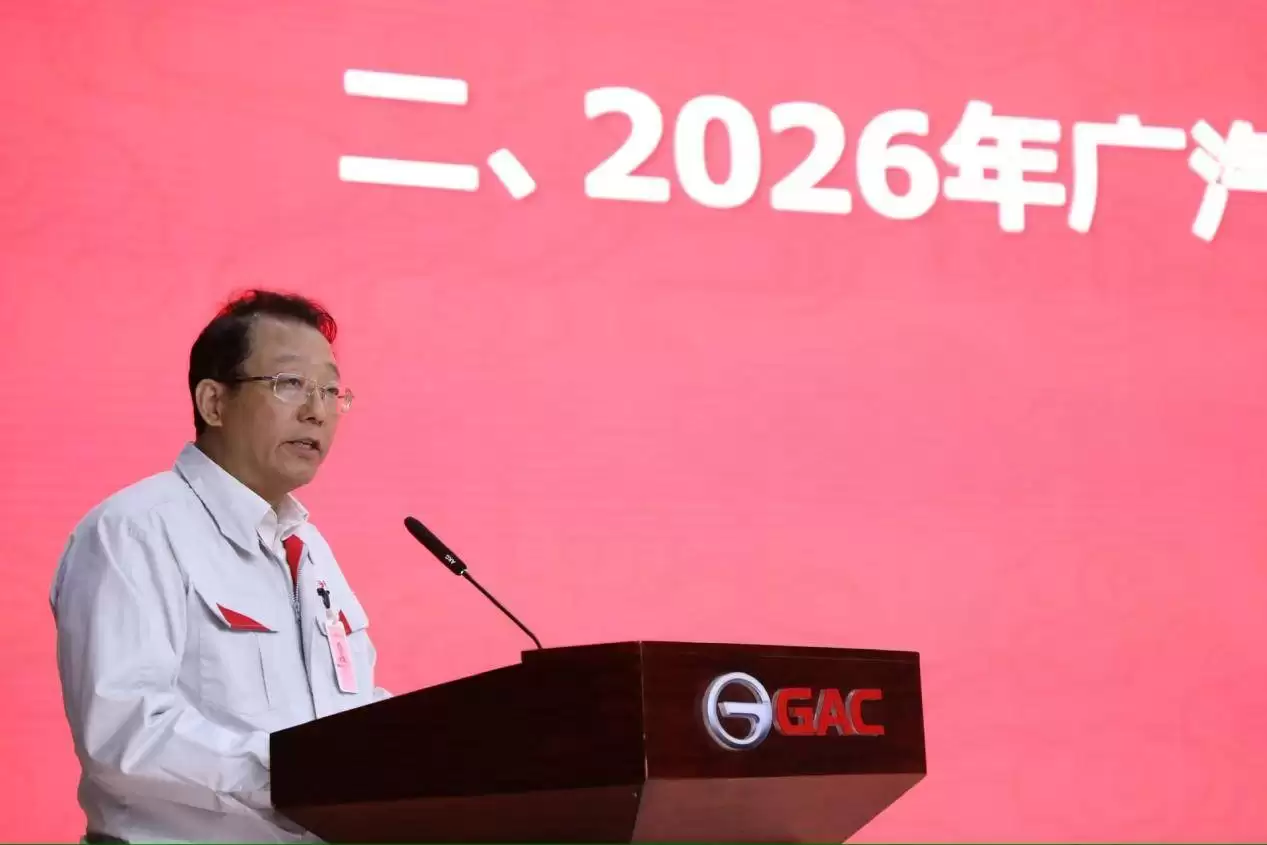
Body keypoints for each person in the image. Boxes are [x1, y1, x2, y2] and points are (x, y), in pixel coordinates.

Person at [50, 290, 389, 843]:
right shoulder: (136, 530)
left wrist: (430, 745)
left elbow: (339, 711)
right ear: (213, 402)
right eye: (290, 383)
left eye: (331, 390)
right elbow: (125, 734)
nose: (317, 410)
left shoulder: (307, 547)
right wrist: (298, 774)